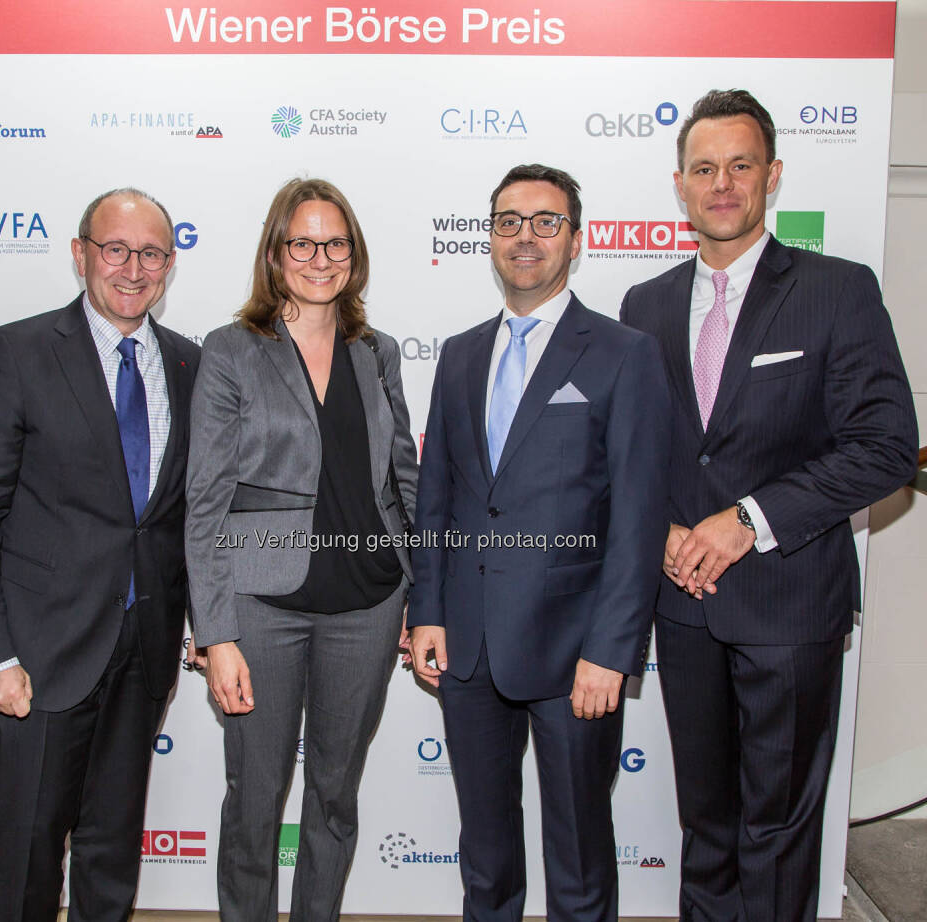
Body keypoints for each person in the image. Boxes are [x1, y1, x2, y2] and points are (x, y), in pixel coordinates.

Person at [620, 89, 918, 922]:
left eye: (740, 165)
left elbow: (887, 447)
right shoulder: (643, 307)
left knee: (778, 832)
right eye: (705, 168)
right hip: (682, 608)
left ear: (772, 176)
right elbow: (632, 458)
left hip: (790, 606)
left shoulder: (837, 290)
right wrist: (666, 528)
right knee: (705, 826)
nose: (723, 184)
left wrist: (747, 519)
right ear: (679, 185)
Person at [408, 163, 671, 922]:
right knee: (485, 861)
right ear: (489, 238)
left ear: (576, 241)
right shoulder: (459, 354)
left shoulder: (625, 353)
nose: (526, 237)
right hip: (470, 646)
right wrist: (428, 609)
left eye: (546, 222)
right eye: (509, 222)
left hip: (575, 655)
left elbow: (639, 516)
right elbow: (439, 498)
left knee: (581, 863)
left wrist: (614, 652)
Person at [0, 188, 200, 921]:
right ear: (81, 253)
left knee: (111, 856)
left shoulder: (188, 364)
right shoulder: (15, 353)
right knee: (26, 855)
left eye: (150, 253)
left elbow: (180, 517)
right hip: (38, 657)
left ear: (169, 264)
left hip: (142, 653)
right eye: (115, 249)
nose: (132, 268)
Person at [185, 177, 418, 921]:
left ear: (355, 253)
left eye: (336, 242)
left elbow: (404, 478)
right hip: (262, 608)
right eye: (304, 242)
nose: (321, 257)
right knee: (253, 803)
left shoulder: (376, 352)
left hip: (370, 605)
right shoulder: (232, 351)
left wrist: (422, 594)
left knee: (334, 795)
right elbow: (206, 500)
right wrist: (215, 631)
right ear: (277, 254)